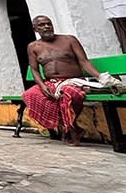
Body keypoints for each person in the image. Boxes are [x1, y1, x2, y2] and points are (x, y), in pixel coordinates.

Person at [23, 15, 102, 146]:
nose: (46, 27)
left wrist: (99, 76)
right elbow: (34, 70)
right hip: (51, 83)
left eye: (48, 24)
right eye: (42, 25)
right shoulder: (33, 47)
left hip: (73, 81)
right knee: (30, 95)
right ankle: (72, 128)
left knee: (70, 94)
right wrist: (42, 86)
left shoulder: (69, 40)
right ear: (35, 29)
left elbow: (84, 61)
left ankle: (70, 130)